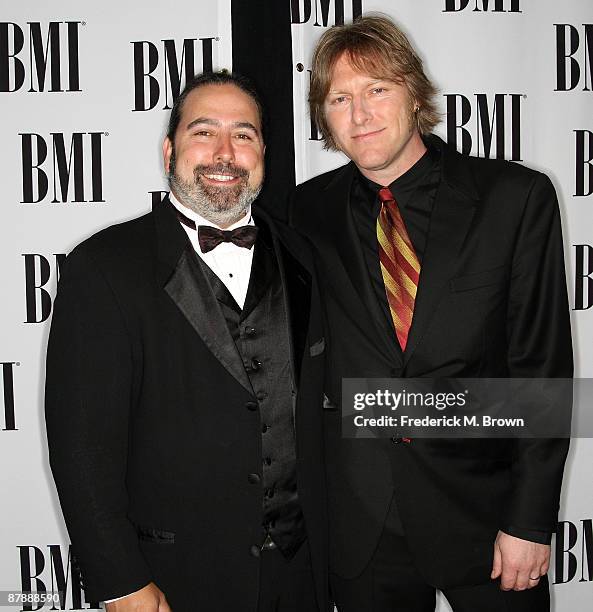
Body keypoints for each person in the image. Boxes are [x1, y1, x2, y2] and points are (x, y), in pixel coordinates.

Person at [289, 14, 572, 612]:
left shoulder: (514, 199)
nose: (360, 114)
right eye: (340, 98)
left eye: (377, 90)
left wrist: (529, 520)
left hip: (487, 518)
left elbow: (542, 368)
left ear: (416, 95)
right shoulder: (306, 212)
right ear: (325, 118)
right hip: (361, 525)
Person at [45, 72, 328, 612]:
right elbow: (82, 447)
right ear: (169, 149)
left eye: (243, 135)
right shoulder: (104, 267)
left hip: (299, 574)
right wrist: (120, 581)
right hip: (172, 579)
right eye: (205, 132)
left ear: (264, 151)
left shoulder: (303, 256)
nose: (225, 152)